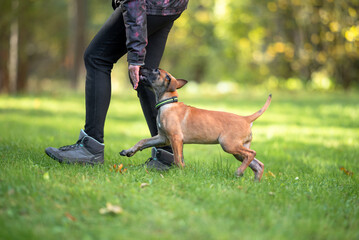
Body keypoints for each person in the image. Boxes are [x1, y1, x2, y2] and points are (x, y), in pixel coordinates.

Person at [45, 0, 189, 170]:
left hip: (147, 5)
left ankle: (90, 148)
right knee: (146, 76)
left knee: (97, 58)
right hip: (171, 5)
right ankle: (167, 155)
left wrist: (136, 55)